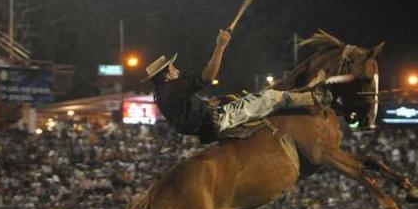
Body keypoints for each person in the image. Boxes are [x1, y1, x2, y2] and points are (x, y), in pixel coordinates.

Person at [142, 29, 331, 143]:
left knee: (244, 98)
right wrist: (221, 46)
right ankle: (315, 97)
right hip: (215, 120)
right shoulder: (173, 88)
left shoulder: (161, 95)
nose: (177, 70)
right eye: (173, 68)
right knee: (268, 98)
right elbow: (207, 76)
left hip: (205, 127)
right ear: (166, 75)